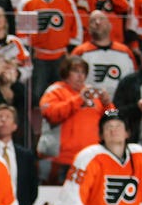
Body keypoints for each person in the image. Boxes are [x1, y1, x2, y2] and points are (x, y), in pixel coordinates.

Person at [38, 56, 114, 185]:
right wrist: (79, 100)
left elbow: (112, 119)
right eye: (76, 71)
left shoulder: (92, 94)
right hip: (62, 161)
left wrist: (107, 104)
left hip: (91, 159)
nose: (80, 76)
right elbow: (51, 114)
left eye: (83, 72)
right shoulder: (55, 91)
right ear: (66, 73)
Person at [17, 0, 83, 104]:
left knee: (64, 94)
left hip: (62, 57)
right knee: (37, 96)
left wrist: (71, 51)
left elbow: (75, 28)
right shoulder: (28, 2)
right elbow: (24, 35)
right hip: (38, 59)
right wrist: (30, 54)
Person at [71, 10, 136, 98]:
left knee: (112, 112)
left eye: (101, 19)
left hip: (118, 106)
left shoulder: (125, 52)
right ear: (89, 29)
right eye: (93, 21)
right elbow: (70, 82)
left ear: (110, 26)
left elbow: (133, 79)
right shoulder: (79, 52)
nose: (97, 22)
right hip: (91, 105)